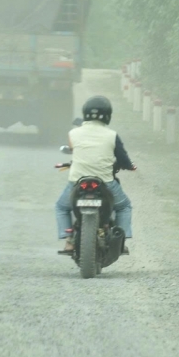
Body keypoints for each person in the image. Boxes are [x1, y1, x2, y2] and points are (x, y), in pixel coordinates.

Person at [56, 95, 134, 254]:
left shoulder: (73, 133)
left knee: (62, 207)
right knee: (124, 207)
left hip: (77, 181)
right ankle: (121, 240)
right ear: (108, 115)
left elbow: (73, 149)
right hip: (105, 182)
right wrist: (129, 166)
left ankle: (68, 240)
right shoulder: (112, 135)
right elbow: (122, 157)